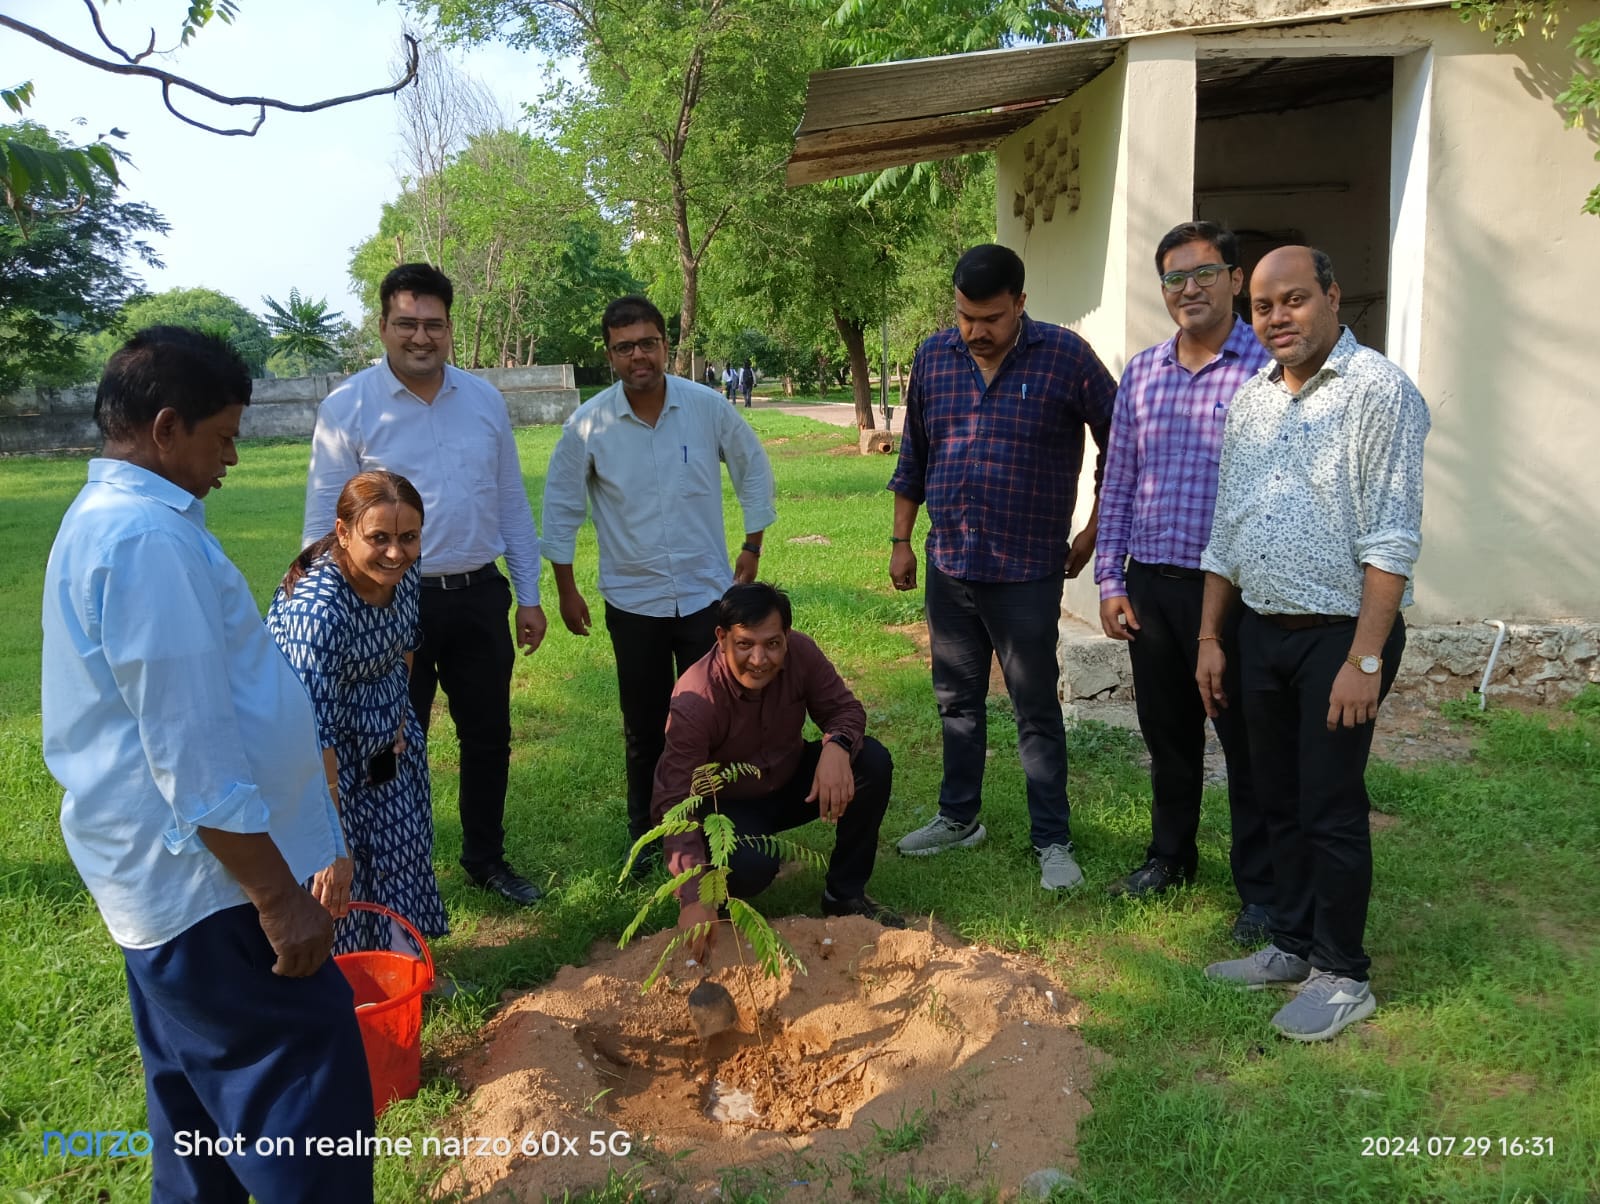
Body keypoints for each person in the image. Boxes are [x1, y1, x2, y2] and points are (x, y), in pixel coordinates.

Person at [41, 327, 372, 1202]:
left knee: (194, 1114)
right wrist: (277, 899)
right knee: (302, 1094)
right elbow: (190, 750)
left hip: (160, 883)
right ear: (164, 428)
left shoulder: (109, 521)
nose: (232, 457)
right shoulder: (146, 542)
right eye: (222, 436)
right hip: (210, 889)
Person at [1196, 246, 1429, 1042]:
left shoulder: (1381, 393)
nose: (1277, 318)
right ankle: (1291, 945)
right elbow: (1226, 529)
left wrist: (1364, 659)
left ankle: (1343, 973)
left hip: (1341, 636)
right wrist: (1210, 638)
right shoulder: (1251, 402)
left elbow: (1393, 540)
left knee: (1329, 806)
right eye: (1263, 306)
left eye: (1294, 299)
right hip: (1260, 630)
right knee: (1271, 794)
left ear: (1333, 297)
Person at [304, 263, 547, 908]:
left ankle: (485, 857)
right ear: (383, 326)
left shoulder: (484, 401)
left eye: (433, 324)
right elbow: (320, 526)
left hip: (475, 593)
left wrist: (528, 593)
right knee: (386, 744)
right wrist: (334, 616)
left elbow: (511, 504)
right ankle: (391, 865)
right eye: (406, 323)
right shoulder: (347, 408)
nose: (421, 336)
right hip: (385, 607)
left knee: (488, 734)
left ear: (449, 328)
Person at [888, 243, 1116, 891]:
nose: (976, 332)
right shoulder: (934, 357)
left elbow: (1121, 435)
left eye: (991, 317)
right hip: (951, 562)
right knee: (956, 700)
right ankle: (959, 817)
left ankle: (1053, 840)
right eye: (965, 317)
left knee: (1035, 705)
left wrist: (1097, 528)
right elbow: (914, 453)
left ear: (1021, 303)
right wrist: (902, 539)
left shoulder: (1065, 358)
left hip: (1026, 569)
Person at [543, 296, 776, 866]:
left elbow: (753, 467)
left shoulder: (706, 407)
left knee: (715, 719)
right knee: (644, 727)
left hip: (705, 596)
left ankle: (718, 830)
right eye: (625, 347)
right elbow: (560, 507)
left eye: (648, 342)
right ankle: (648, 837)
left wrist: (752, 544)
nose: (638, 355)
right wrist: (566, 588)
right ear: (610, 354)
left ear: (665, 345)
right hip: (634, 600)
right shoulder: (588, 425)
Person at [1094, 221, 1274, 945]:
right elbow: (1121, 481)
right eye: (1174, 278)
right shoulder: (1141, 372)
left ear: (1236, 278)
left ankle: (1260, 890)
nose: (1189, 289)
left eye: (1204, 273)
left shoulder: (1268, 368)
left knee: (1247, 740)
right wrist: (1111, 578)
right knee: (1168, 736)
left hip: (1235, 594)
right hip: (1153, 586)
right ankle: (1170, 857)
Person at [654, 583, 903, 955]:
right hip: (730, 805)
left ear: (786, 637)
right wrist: (692, 897)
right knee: (753, 866)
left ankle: (845, 895)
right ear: (722, 639)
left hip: (789, 781)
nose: (759, 659)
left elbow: (844, 709)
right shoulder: (697, 699)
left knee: (872, 763)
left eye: (772, 644)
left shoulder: (801, 653)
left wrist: (837, 745)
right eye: (745, 644)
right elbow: (674, 800)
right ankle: (716, 903)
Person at [268, 470, 448, 956]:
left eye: (408, 538)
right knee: (337, 873)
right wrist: (331, 832)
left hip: (386, 735)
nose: (396, 553)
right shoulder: (320, 609)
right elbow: (310, 731)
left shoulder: (404, 577)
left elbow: (404, 647)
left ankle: (403, 961)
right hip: (316, 755)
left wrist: (396, 720)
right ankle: (344, 980)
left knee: (403, 845)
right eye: (379, 539)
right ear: (344, 533)